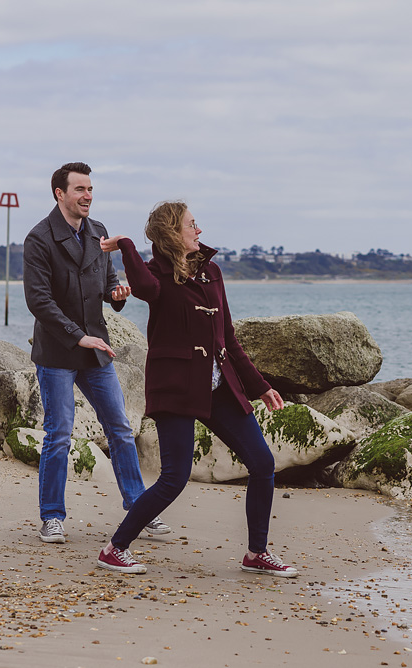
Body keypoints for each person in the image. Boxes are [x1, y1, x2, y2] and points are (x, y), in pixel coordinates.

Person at [96, 200, 298, 577]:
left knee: (262, 463)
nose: (199, 230)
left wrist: (261, 387)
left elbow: (230, 340)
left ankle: (257, 553)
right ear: (173, 232)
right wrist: (125, 243)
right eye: (192, 224)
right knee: (175, 477)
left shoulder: (213, 273)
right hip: (177, 387)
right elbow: (141, 288)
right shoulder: (156, 274)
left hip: (219, 387)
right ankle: (115, 548)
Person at [22, 162, 170, 544]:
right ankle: (52, 517)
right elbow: (39, 302)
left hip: (96, 351)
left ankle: (138, 509)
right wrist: (77, 337)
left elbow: (107, 284)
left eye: (91, 189)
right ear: (60, 193)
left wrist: (117, 295)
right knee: (58, 434)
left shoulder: (99, 232)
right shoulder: (38, 238)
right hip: (58, 352)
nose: (88, 196)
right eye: (80, 189)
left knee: (120, 429)